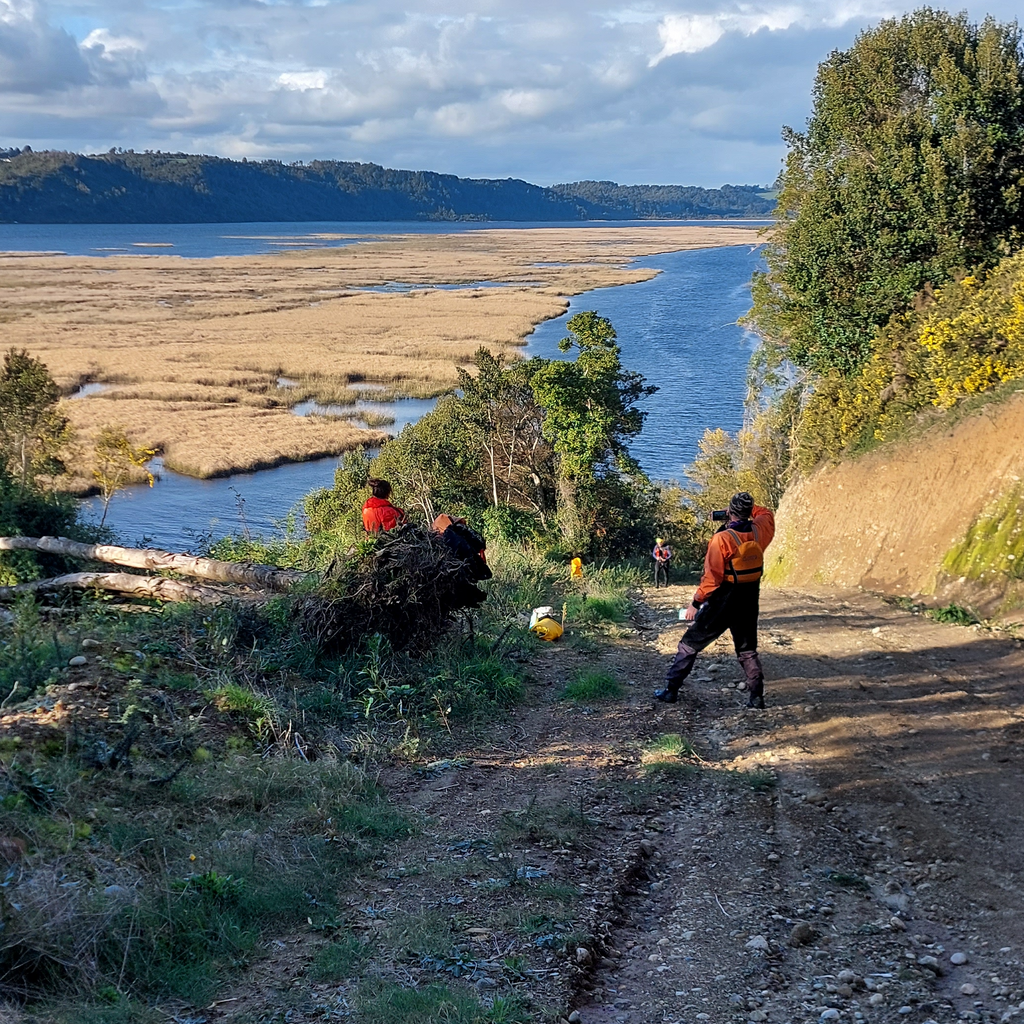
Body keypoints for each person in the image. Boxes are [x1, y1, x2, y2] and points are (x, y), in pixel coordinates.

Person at [654, 492, 775, 709]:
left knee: (689, 644)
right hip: (749, 598)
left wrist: (695, 603)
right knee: (747, 649)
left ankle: (671, 690)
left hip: (723, 600)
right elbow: (765, 512)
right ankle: (757, 696)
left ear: (730, 511)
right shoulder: (760, 529)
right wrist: (748, 509)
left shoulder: (722, 539)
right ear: (749, 511)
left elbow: (712, 579)